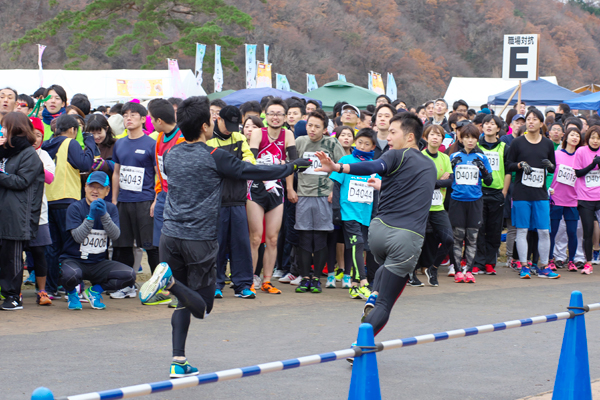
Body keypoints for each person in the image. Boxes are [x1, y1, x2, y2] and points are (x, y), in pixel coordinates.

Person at [137, 95, 310, 377]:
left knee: (183, 303)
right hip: (200, 239)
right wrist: (292, 166)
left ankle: (178, 360)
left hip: (170, 234)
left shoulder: (171, 154)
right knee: (202, 306)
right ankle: (169, 283)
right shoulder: (215, 157)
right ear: (206, 126)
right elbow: (254, 170)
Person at [314, 112, 436, 337]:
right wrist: (339, 168)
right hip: (406, 238)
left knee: (385, 267)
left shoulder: (394, 156)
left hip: (378, 231)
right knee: (385, 304)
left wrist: (338, 167)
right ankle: (361, 345)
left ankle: (374, 293)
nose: (387, 137)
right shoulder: (429, 166)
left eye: (393, 132)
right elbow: (374, 168)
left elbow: (372, 166)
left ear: (410, 137)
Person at [60, 171, 136, 310]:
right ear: (85, 187)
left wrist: (104, 215)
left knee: (129, 275)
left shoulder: (111, 208)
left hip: (98, 262)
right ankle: (72, 293)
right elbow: (78, 237)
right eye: (91, 186)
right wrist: (90, 217)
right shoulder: (75, 207)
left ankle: (94, 292)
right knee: (70, 275)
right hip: (75, 260)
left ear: (107, 191)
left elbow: (115, 235)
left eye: (100, 187)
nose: (95, 191)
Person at [42, 114, 96, 298]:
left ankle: (49, 288)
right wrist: (89, 144)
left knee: (52, 248)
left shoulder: (46, 145)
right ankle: (71, 288)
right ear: (73, 130)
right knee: (72, 247)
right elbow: (85, 164)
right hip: (68, 200)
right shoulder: (70, 143)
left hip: (48, 200)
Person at [111, 102, 161, 303]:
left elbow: (159, 174)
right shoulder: (119, 143)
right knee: (122, 246)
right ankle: (126, 286)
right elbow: (116, 172)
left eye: (133, 115)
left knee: (151, 246)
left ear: (143, 119)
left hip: (145, 201)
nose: (128, 118)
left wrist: (156, 200)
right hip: (123, 201)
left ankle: (158, 286)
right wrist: (114, 199)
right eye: (125, 115)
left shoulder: (151, 144)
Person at [247, 98, 297, 294]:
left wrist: (291, 188)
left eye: (279, 114)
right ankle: (250, 278)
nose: (275, 117)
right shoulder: (259, 133)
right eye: (271, 114)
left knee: (273, 238)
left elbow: (292, 165)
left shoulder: (289, 134)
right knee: (255, 237)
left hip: (277, 189)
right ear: (265, 116)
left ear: (285, 117)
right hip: (257, 188)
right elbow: (251, 162)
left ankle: (267, 280)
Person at [293, 109, 346, 293]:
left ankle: (316, 278)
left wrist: (334, 190)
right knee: (305, 238)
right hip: (303, 195)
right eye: (309, 125)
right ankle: (305, 277)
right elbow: (290, 167)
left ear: (325, 129)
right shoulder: (300, 142)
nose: (312, 129)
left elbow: (342, 168)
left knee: (320, 238)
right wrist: (291, 190)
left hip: (325, 195)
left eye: (317, 126)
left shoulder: (332, 143)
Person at [207, 105, 256, 299]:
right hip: (215, 202)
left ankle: (243, 284)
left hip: (237, 200)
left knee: (241, 244)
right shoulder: (209, 139)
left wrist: (233, 168)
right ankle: (215, 283)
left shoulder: (240, 137)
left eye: (234, 125)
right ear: (218, 119)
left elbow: (250, 162)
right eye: (227, 124)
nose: (230, 129)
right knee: (216, 245)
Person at [506, 108, 559, 279]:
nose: (530, 121)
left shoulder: (548, 144)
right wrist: (520, 165)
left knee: (544, 231)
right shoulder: (517, 143)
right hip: (521, 193)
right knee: (522, 230)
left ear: (541, 123)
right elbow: (508, 165)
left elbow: (553, 166)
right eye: (528, 119)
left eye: (535, 119)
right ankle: (524, 266)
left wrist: (549, 166)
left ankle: (543, 265)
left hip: (541, 194)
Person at [0, 113, 45, 310]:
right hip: (4, 212)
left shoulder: (28, 154)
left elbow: (21, 181)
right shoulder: (5, 151)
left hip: (18, 215)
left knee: (13, 258)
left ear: (15, 129)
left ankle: (13, 296)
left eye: (5, 127)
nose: (2, 131)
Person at [330, 128, 378, 298]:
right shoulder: (346, 160)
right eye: (360, 142)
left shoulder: (374, 165)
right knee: (357, 243)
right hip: (348, 211)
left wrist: (375, 213)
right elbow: (336, 184)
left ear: (373, 146)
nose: (363, 146)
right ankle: (363, 282)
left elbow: (376, 190)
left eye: (367, 144)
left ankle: (355, 286)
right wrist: (336, 209)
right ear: (354, 142)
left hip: (365, 213)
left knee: (361, 247)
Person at [448, 124, 493, 284]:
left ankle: (469, 270)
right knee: (458, 236)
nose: (470, 140)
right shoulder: (454, 156)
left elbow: (489, 181)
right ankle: (458, 270)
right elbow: (446, 179)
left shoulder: (482, 157)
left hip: (475, 201)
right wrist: (452, 166)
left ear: (477, 139)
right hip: (457, 201)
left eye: (473, 137)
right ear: (461, 138)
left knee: (472, 236)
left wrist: (484, 171)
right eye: (467, 137)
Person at [473, 114, 510, 275]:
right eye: (486, 123)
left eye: (492, 124)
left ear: (498, 128)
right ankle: (478, 262)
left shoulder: (504, 148)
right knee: (479, 228)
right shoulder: (476, 147)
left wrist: (504, 192)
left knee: (494, 229)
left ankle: (490, 262)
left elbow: (508, 171)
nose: (489, 126)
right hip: (478, 192)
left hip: (497, 193)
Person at [419, 125, 454, 287]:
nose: (435, 137)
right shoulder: (419, 157)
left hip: (438, 207)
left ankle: (433, 268)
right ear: (425, 137)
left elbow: (450, 181)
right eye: (432, 134)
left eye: (438, 135)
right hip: (421, 207)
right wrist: (440, 181)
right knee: (416, 241)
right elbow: (419, 182)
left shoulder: (445, 158)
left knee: (448, 239)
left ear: (442, 139)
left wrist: (435, 182)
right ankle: (411, 272)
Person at [26, 117, 56, 305]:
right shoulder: (15, 153)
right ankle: (13, 291)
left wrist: (33, 160)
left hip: (39, 213)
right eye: (32, 135)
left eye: (39, 135)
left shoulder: (44, 155)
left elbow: (50, 178)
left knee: (39, 253)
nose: (36, 139)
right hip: (17, 212)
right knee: (12, 253)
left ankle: (42, 291)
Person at [549, 128, 582, 272]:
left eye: (577, 136)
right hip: (556, 198)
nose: (575, 138)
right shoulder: (556, 154)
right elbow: (549, 173)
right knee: (553, 232)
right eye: (572, 135)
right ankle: (550, 259)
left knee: (572, 232)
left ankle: (571, 260)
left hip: (572, 200)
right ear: (565, 137)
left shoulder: (580, 156)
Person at [574, 125, 600, 275]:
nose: (595, 141)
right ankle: (588, 263)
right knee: (588, 231)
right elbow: (578, 173)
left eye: (598, 138)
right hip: (585, 198)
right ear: (588, 138)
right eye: (593, 138)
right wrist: (593, 164)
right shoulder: (581, 151)